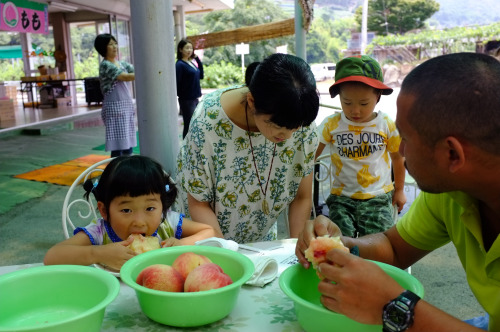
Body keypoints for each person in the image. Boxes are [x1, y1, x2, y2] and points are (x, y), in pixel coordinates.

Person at [295, 52, 500, 331]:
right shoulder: (447, 196)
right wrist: (341, 245)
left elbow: (395, 301)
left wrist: (393, 306)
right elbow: (393, 247)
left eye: (405, 137)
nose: (400, 151)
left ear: (452, 153)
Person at [177, 53, 319, 244]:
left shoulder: (300, 116)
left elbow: (302, 197)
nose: (288, 136)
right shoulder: (208, 121)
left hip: (261, 242)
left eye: (295, 128)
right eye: (278, 127)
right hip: (208, 240)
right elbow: (198, 203)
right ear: (252, 102)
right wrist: (227, 256)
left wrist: (296, 250)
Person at [44, 155, 215, 271]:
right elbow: (52, 257)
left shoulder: (167, 223)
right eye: (126, 210)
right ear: (104, 210)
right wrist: (99, 253)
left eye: (150, 208)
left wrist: (183, 244)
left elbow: (209, 231)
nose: (139, 221)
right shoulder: (100, 233)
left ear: (162, 206)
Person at [315, 55, 406, 237]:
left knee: (379, 244)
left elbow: (398, 158)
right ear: (339, 96)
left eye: (364, 103)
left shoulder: (385, 124)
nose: (355, 110)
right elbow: (311, 156)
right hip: (342, 200)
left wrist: (400, 190)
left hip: (377, 198)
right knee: (338, 244)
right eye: (347, 103)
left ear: (378, 96)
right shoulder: (332, 124)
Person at [94, 33, 136, 157]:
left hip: (126, 107)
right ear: (103, 48)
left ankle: (127, 170)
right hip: (114, 109)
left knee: (128, 143)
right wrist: (144, 72)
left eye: (115, 43)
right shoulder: (106, 65)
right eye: (110, 44)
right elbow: (125, 77)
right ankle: (116, 172)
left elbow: (133, 70)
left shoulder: (121, 63)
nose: (115, 47)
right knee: (118, 146)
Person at [175, 38, 204, 138]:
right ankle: (186, 148)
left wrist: (197, 59)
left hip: (194, 99)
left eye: (191, 48)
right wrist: (182, 96)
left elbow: (201, 75)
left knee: (195, 124)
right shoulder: (179, 65)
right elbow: (177, 83)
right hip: (186, 100)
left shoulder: (190, 63)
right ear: (180, 50)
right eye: (187, 48)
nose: (189, 50)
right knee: (189, 125)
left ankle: (192, 148)